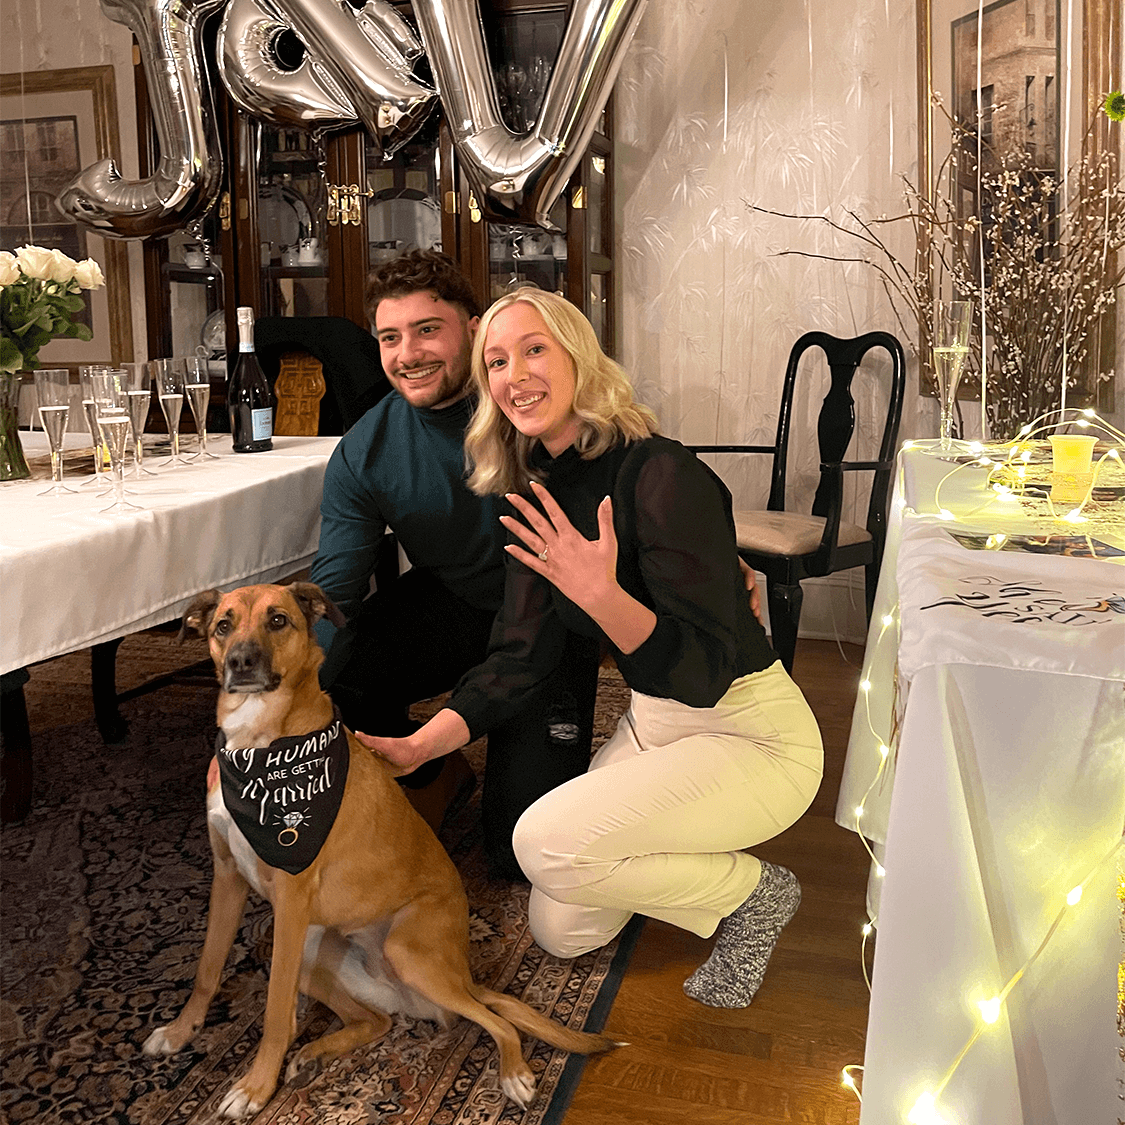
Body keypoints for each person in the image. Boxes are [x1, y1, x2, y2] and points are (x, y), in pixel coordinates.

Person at [357, 286, 824, 1008]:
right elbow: (519, 655)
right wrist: (423, 744)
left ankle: (753, 893)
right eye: (498, 361)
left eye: (534, 348)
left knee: (541, 842)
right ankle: (683, 836)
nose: (515, 374)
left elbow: (700, 676)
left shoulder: (661, 472)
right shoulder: (534, 490)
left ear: (578, 356)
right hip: (656, 729)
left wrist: (600, 592)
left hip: (749, 734)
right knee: (561, 927)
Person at [308, 252, 602, 879]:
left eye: (427, 330)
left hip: (551, 618)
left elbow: (636, 471)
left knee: (518, 852)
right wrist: (276, 700)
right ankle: (438, 770)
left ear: (473, 328)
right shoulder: (366, 450)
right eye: (390, 337)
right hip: (458, 602)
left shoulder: (532, 404)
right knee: (342, 675)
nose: (407, 352)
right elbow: (334, 589)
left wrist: (714, 548)